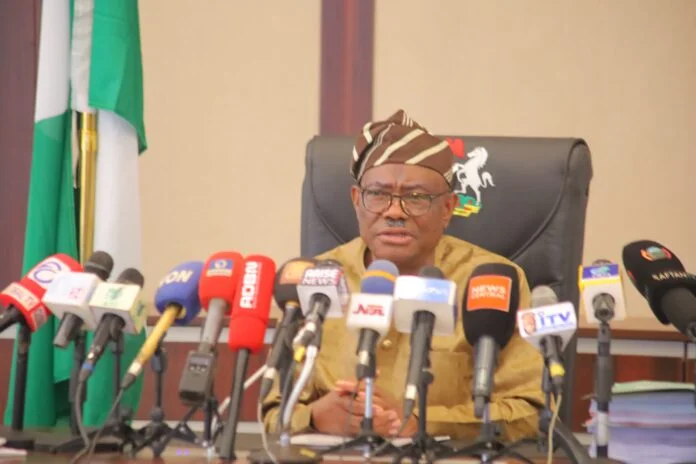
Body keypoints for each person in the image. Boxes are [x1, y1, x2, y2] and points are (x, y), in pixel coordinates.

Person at [262, 109, 544, 441]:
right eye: (378, 194)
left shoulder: (493, 282)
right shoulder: (315, 280)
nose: (395, 211)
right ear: (356, 200)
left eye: (416, 197)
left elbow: (530, 413)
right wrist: (314, 417)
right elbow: (271, 412)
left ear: (448, 208)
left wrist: (419, 421)